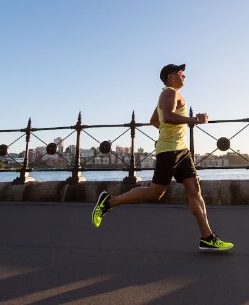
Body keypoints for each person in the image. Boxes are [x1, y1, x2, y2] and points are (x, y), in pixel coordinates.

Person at [92, 63, 233, 251]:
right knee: (154, 193)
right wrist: (194, 120)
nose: (184, 75)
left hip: (181, 150)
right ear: (169, 76)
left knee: (194, 189)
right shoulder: (169, 92)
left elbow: (154, 120)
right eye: (180, 72)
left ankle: (207, 237)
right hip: (169, 151)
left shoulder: (171, 94)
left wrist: (169, 133)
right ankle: (108, 202)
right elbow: (167, 117)